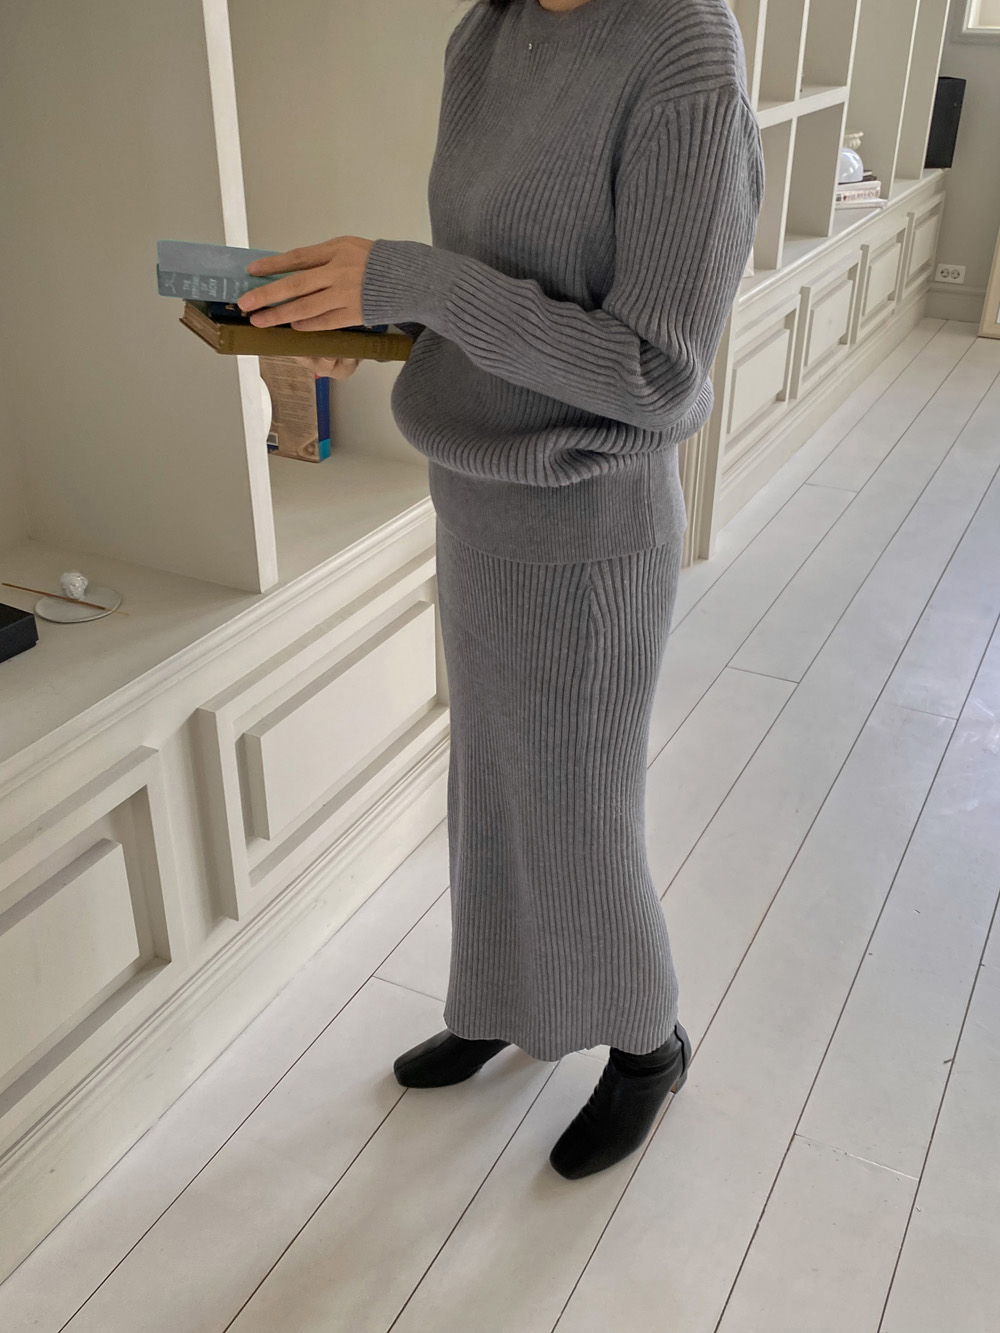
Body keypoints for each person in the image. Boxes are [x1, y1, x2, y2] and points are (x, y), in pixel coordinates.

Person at [237, 0, 764, 1181]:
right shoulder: (486, 33)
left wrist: (414, 280)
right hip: (474, 500)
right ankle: (498, 999)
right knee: (489, 787)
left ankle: (646, 1041)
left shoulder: (682, 49)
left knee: (578, 810)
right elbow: (497, 295)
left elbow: (656, 372)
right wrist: (372, 317)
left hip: (588, 521)